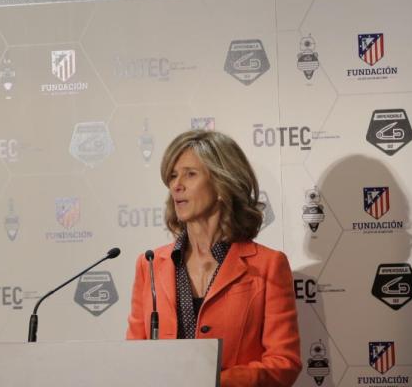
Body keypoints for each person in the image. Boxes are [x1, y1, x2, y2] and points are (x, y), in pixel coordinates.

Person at [126, 130, 301, 387]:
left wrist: (214, 380)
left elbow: (284, 363)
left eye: (190, 174)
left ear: (222, 185)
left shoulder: (268, 265)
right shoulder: (149, 264)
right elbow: (133, 357)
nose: (176, 185)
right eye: (173, 176)